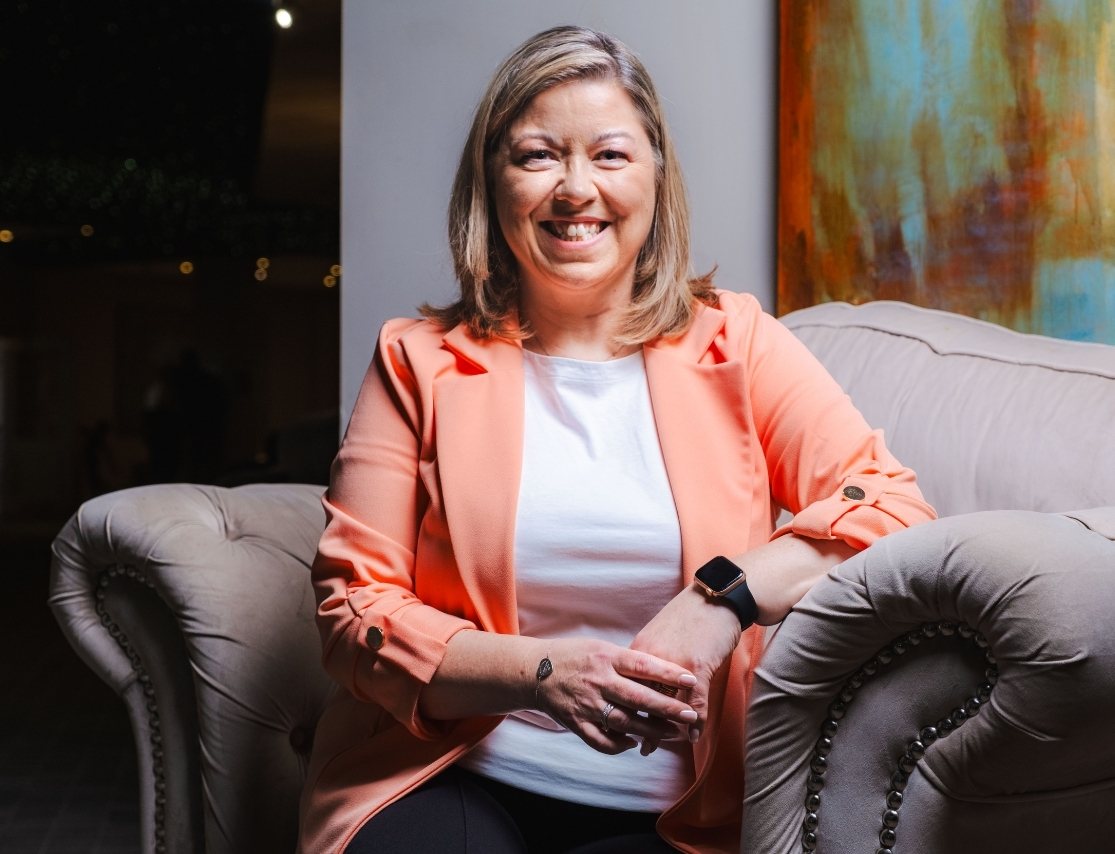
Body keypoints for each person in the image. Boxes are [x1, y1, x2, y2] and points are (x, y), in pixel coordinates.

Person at [299, 24, 936, 854]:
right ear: (491, 183)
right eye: (536, 156)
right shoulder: (415, 360)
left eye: (609, 155)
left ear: (654, 178)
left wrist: (720, 599)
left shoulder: (736, 343)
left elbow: (891, 507)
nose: (575, 188)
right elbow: (354, 608)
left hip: (677, 811)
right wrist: (542, 674)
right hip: (454, 773)